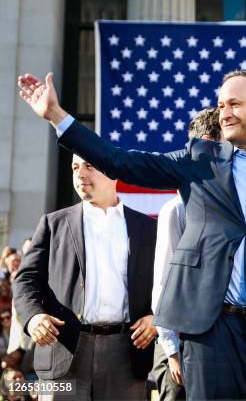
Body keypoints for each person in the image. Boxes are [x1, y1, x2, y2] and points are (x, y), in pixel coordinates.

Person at [17, 59, 246, 399]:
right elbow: (120, 161)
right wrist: (55, 116)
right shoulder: (200, 161)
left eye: (234, 104)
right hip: (211, 335)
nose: (224, 112)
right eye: (221, 104)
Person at [12, 154, 157, 400]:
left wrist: (157, 316)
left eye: (89, 166)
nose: (80, 174)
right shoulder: (52, 224)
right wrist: (34, 316)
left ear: (114, 171)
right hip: (62, 351)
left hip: (127, 354)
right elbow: (26, 279)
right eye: (75, 167)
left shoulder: (149, 228)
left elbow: (170, 283)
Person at [151, 107, 222, 401]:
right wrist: (171, 349)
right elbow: (165, 282)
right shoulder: (177, 208)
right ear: (208, 143)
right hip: (180, 345)